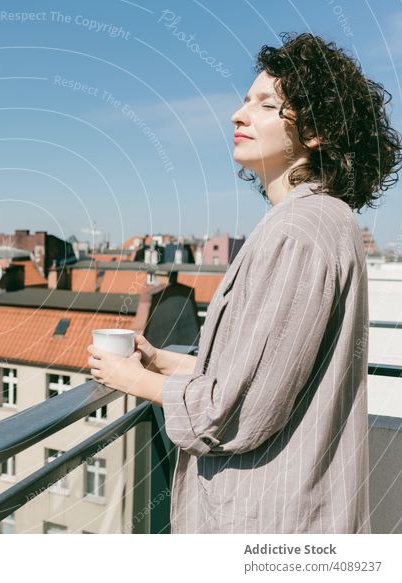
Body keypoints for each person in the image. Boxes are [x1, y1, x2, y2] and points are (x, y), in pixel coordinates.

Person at [87, 32, 401, 533]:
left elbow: (235, 413)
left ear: (316, 132)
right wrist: (166, 361)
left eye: (266, 104)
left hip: (266, 522)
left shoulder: (297, 233)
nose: (238, 114)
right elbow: (268, 372)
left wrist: (135, 381)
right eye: (245, 99)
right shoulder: (326, 221)